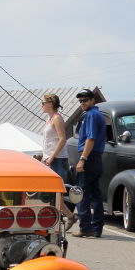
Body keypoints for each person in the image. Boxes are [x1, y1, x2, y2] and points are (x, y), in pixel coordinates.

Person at [73, 89, 106, 238]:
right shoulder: (97, 114)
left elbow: (90, 138)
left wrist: (83, 159)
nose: (82, 103)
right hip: (96, 157)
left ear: (93, 100)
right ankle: (96, 228)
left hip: (89, 157)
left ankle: (85, 228)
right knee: (95, 194)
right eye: (80, 101)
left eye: (85, 100)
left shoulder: (91, 115)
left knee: (83, 194)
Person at [41, 93, 76, 228]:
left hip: (58, 159)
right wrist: (44, 156)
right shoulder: (49, 119)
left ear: (50, 104)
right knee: (48, 192)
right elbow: (48, 141)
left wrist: (51, 157)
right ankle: (63, 217)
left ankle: (70, 216)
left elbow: (62, 139)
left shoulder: (57, 118)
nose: (42, 105)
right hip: (48, 158)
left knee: (56, 193)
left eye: (43, 103)